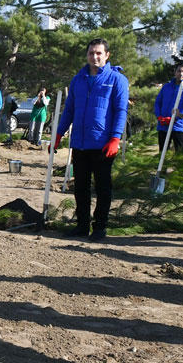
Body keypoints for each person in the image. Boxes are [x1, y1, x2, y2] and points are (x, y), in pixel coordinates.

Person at [55, 38, 129, 241]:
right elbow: (69, 109)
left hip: (103, 144)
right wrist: (59, 134)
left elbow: (121, 110)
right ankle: (82, 225)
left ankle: (100, 227)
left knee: (103, 188)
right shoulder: (78, 79)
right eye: (91, 53)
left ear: (107, 55)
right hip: (80, 143)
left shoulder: (117, 80)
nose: (94, 57)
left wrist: (115, 138)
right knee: (80, 187)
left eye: (98, 53)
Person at [154, 62, 183, 158]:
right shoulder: (166, 87)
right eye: (179, 71)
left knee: (180, 154)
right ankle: (162, 172)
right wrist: (159, 116)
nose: (181, 74)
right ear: (175, 72)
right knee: (163, 152)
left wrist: (176, 117)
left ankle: (179, 173)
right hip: (163, 125)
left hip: (179, 126)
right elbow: (158, 102)